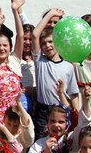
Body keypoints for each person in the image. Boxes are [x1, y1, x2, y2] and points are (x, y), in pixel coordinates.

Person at [31, 9, 81, 138]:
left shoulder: (68, 66)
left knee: (62, 143)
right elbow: (35, 34)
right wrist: (50, 14)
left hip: (62, 109)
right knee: (42, 141)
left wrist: (77, 113)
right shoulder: (40, 61)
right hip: (43, 111)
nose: (47, 46)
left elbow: (73, 94)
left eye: (50, 42)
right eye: (44, 44)